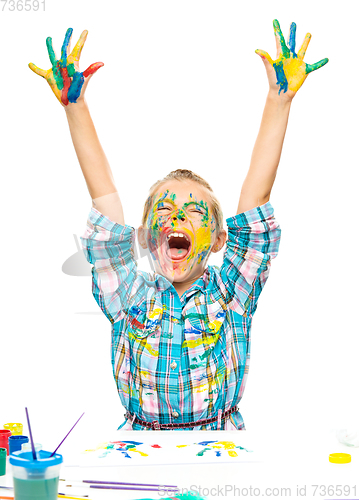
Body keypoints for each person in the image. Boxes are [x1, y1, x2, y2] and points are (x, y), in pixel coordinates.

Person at [29, 20, 328, 430]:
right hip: (141, 452)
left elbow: (255, 199)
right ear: (144, 236)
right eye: (164, 212)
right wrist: (75, 107)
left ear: (221, 240)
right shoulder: (129, 294)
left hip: (222, 450)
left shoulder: (232, 292)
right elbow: (105, 199)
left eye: (193, 213)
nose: (177, 219)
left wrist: (279, 102)